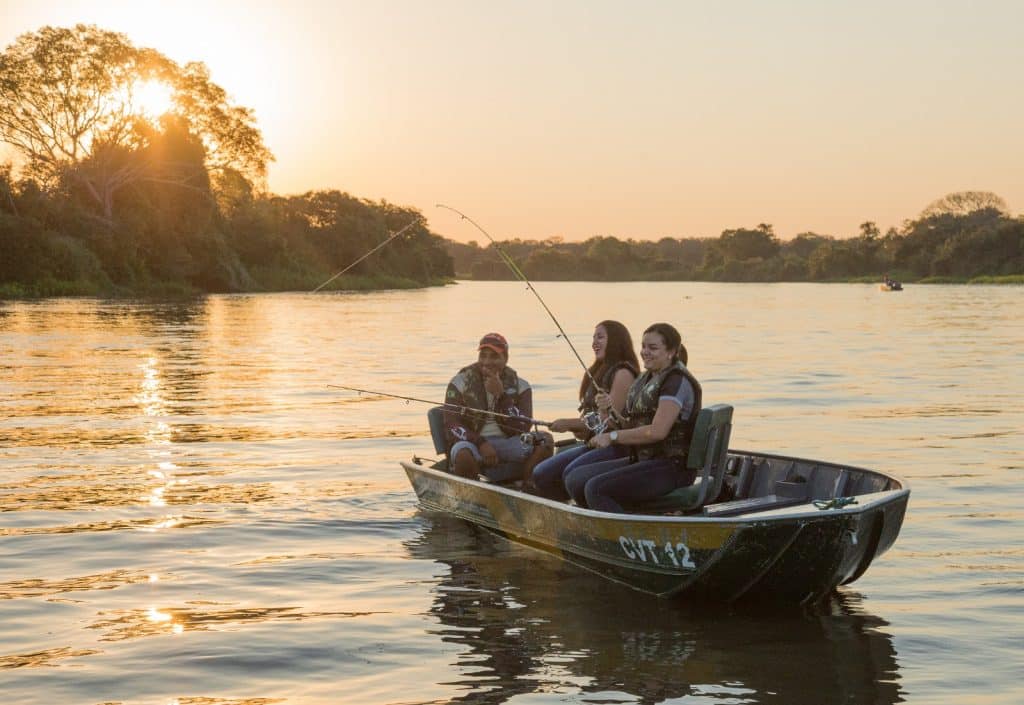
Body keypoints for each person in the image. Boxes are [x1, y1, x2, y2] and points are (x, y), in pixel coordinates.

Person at [566, 322, 702, 512]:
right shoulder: (647, 378)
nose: (645, 352)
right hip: (644, 459)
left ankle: (618, 535)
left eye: (652, 348)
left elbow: (657, 432)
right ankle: (610, 521)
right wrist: (609, 409)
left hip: (671, 468)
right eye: (643, 346)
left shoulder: (676, 382)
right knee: (576, 479)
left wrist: (612, 437)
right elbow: (628, 425)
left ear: (671, 351)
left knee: (595, 488)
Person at [531, 321, 639, 500]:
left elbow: (610, 423)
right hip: (592, 444)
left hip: (616, 446)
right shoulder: (597, 371)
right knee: (541, 472)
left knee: (566, 473)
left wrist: (568, 423)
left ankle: (581, 509)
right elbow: (588, 427)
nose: (594, 342)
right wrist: (575, 428)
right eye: (593, 337)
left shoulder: (623, 373)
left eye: (600, 337)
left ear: (616, 340)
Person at [443, 333, 551, 481]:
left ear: (505, 358)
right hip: (472, 443)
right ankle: (475, 495)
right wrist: (481, 443)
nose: (487, 362)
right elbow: (451, 424)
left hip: (508, 443)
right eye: (483, 356)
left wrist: (501, 396)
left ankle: (528, 489)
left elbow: (524, 427)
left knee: (546, 441)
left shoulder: (522, 386)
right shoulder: (459, 382)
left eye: (494, 356)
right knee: (462, 455)